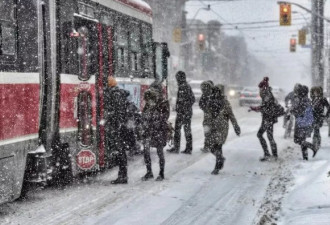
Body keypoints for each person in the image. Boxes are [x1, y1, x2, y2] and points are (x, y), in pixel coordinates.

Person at [207, 85, 240, 174]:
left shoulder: (225, 103)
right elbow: (208, 115)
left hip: (222, 127)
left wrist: (236, 126)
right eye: (213, 92)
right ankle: (220, 159)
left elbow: (231, 115)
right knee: (210, 146)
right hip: (213, 127)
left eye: (216, 92)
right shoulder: (210, 102)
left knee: (218, 145)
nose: (214, 94)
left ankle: (217, 167)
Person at [104, 76, 130, 184]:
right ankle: (122, 175)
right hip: (121, 126)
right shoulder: (119, 93)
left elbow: (117, 112)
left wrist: (110, 117)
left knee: (120, 152)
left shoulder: (115, 94)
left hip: (118, 127)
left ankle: (123, 176)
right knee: (121, 151)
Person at [141, 88, 170, 181]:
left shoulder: (162, 104)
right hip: (149, 131)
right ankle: (149, 172)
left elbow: (164, 117)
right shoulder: (148, 105)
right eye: (147, 100)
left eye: (149, 99)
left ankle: (161, 173)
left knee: (160, 152)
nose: (148, 102)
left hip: (159, 131)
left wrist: (155, 120)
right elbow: (144, 116)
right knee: (146, 151)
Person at [250, 77, 280, 161]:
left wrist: (255, 108)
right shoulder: (268, 94)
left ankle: (269, 154)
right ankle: (273, 155)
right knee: (269, 136)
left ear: (263, 88)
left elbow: (265, 107)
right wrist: (256, 108)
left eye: (260, 88)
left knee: (261, 135)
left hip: (268, 118)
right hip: (269, 118)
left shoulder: (267, 95)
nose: (259, 90)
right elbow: (265, 107)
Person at [168, 71, 195, 154]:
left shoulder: (184, 87)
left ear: (180, 78)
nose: (176, 79)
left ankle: (177, 148)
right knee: (186, 130)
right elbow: (191, 99)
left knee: (179, 130)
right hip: (185, 112)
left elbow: (191, 99)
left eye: (177, 77)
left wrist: (182, 108)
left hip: (183, 113)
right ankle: (188, 148)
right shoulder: (185, 86)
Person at [291, 84, 316, 160]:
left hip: (300, 123)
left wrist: (292, 110)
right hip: (306, 123)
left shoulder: (300, 99)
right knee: (302, 140)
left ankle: (312, 147)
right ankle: (305, 158)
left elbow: (298, 111)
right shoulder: (307, 99)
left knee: (297, 140)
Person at [310, 86, 329, 150]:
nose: (315, 93)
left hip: (319, 116)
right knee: (316, 130)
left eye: (316, 91)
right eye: (314, 91)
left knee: (316, 129)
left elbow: (328, 107)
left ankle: (315, 142)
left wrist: (326, 115)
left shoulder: (323, 99)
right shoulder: (312, 99)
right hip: (313, 116)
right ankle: (317, 142)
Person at [199, 80, 214, 153]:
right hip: (211, 116)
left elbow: (201, 104)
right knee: (209, 130)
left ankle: (207, 146)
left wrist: (206, 109)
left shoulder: (207, 94)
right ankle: (209, 145)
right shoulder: (212, 94)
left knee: (207, 130)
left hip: (209, 116)